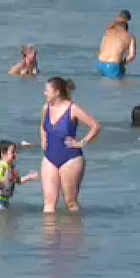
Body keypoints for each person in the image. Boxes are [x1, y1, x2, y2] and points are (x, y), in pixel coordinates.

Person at [38, 77, 101, 212]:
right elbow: (42, 126)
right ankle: (49, 232)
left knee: (70, 202)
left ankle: (73, 231)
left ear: (57, 92)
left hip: (70, 158)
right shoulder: (46, 108)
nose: (44, 93)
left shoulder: (73, 108)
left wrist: (81, 143)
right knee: (48, 204)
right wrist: (43, 139)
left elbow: (95, 126)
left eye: (47, 90)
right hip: (49, 158)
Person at [0, 140, 38, 210]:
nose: (15, 154)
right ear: (3, 154)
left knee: (6, 218)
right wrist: (3, 181)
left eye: (16, 152)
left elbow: (18, 181)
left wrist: (29, 177)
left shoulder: (10, 167)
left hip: (5, 199)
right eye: (12, 152)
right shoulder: (1, 167)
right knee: (2, 218)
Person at [97, 10, 137, 78]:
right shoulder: (130, 36)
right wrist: (123, 63)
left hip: (100, 64)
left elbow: (100, 51)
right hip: (113, 66)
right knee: (120, 87)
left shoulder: (107, 32)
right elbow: (131, 56)